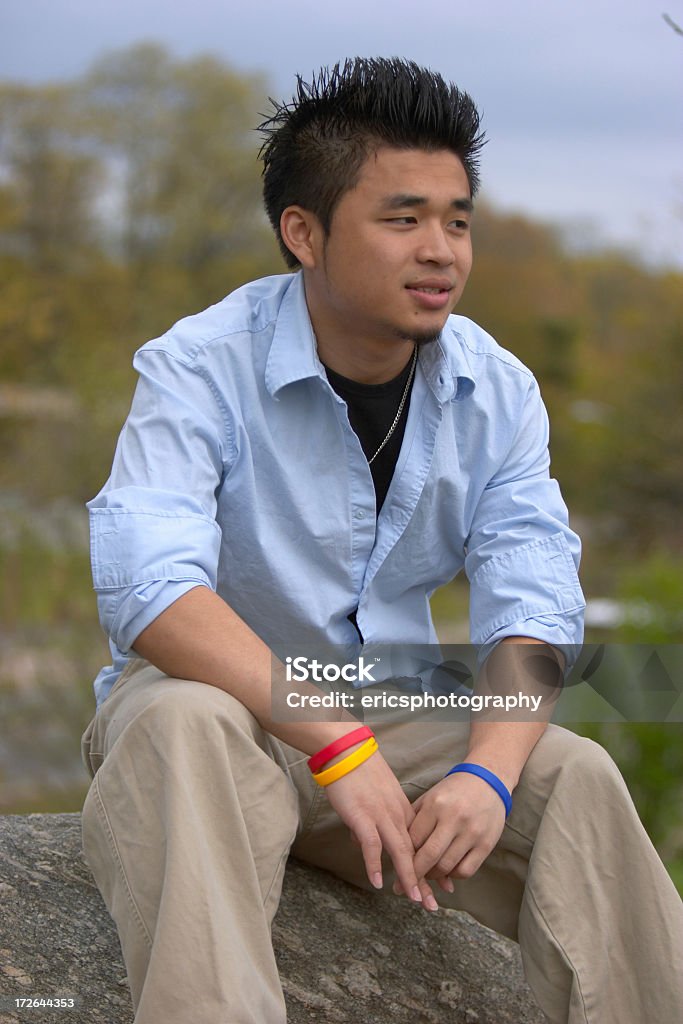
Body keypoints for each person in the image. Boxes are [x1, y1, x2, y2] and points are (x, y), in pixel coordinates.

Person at [80, 57, 683, 1024]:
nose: (439, 249)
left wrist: (486, 772)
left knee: (574, 774)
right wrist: (332, 745)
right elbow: (150, 592)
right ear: (303, 233)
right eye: (402, 219)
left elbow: (531, 604)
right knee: (179, 725)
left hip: (386, 702)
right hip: (229, 710)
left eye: (456, 219)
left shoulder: (498, 390)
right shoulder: (199, 366)